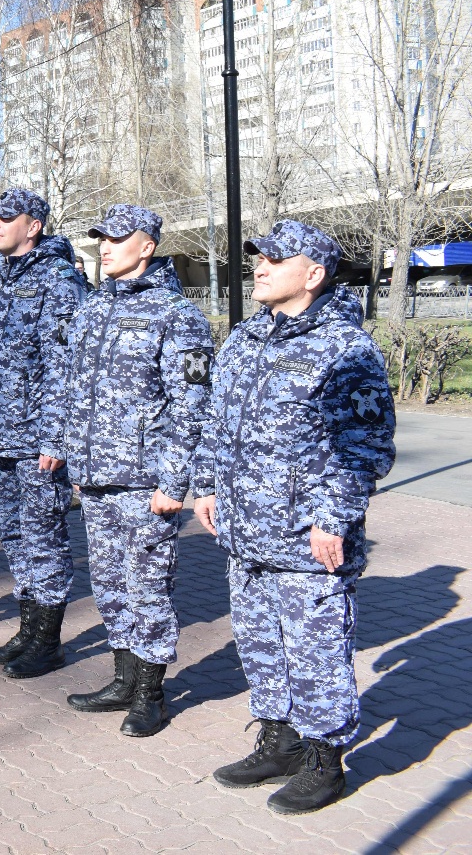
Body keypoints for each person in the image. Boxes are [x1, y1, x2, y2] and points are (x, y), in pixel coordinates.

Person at [194, 220, 395, 814]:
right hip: (246, 530)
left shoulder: (345, 348)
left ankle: (324, 761)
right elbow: (216, 420)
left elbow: (366, 447)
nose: (259, 267)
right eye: (259, 257)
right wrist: (206, 485)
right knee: (259, 642)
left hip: (306, 535)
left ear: (313, 274)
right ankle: (279, 742)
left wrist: (334, 519)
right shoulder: (246, 337)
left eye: (276, 260)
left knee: (316, 649)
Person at [55, 205, 213, 737]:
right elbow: (74, 390)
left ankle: (151, 694)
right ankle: (123, 680)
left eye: (118, 238)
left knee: (148, 586)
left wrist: (174, 482)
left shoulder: (177, 314)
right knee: (109, 583)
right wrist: (77, 457)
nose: (105, 246)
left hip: (146, 481)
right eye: (102, 237)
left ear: (147, 246)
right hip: (98, 476)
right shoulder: (92, 308)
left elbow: (192, 405)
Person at [0, 188, 87, 679]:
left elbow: (65, 366)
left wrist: (56, 437)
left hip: (35, 439)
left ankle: (47, 641)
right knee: (15, 536)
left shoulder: (57, 279)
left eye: (6, 217)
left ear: (33, 226)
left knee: (43, 537)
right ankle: (28, 629)